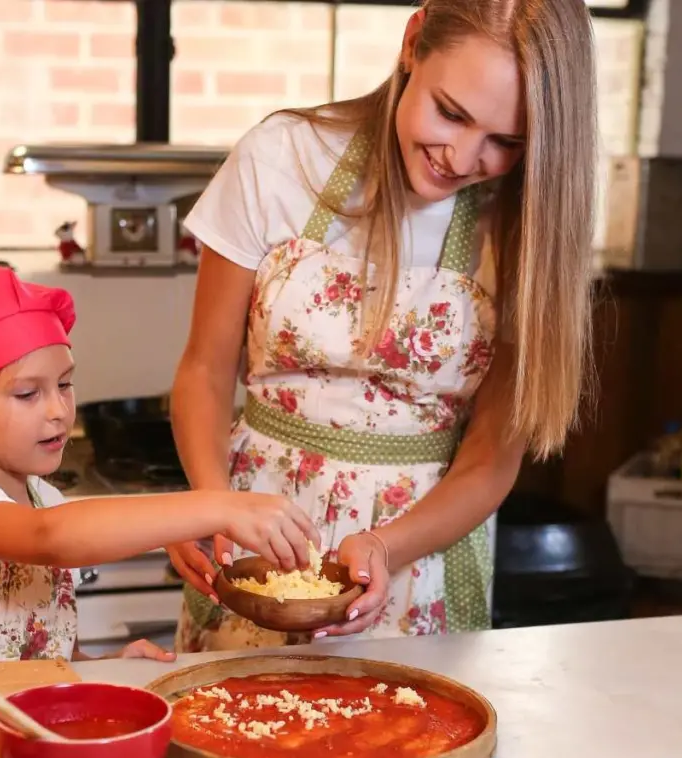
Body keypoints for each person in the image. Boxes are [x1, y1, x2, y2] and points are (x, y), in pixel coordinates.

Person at [166, 0, 598, 652]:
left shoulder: (527, 221)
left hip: (417, 558)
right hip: (254, 537)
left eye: (506, 141)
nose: (460, 155)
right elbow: (203, 369)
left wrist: (386, 548)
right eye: (451, 112)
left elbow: (489, 459)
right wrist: (210, 502)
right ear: (413, 42)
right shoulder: (282, 158)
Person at [0, 266, 318, 670]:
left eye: (65, 385)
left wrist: (104, 666)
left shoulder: (43, 497)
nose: (58, 411)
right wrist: (215, 508)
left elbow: (41, 651)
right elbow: (52, 537)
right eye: (28, 394)